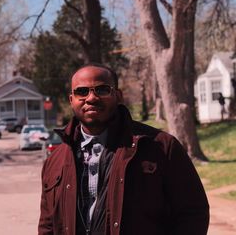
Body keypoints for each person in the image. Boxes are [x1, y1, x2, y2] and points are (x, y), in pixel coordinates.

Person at [38, 64, 209, 235]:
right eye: (82, 92)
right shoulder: (55, 161)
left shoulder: (161, 147)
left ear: (118, 96)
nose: (91, 98)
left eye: (102, 90)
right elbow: (47, 226)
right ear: (71, 100)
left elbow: (193, 213)